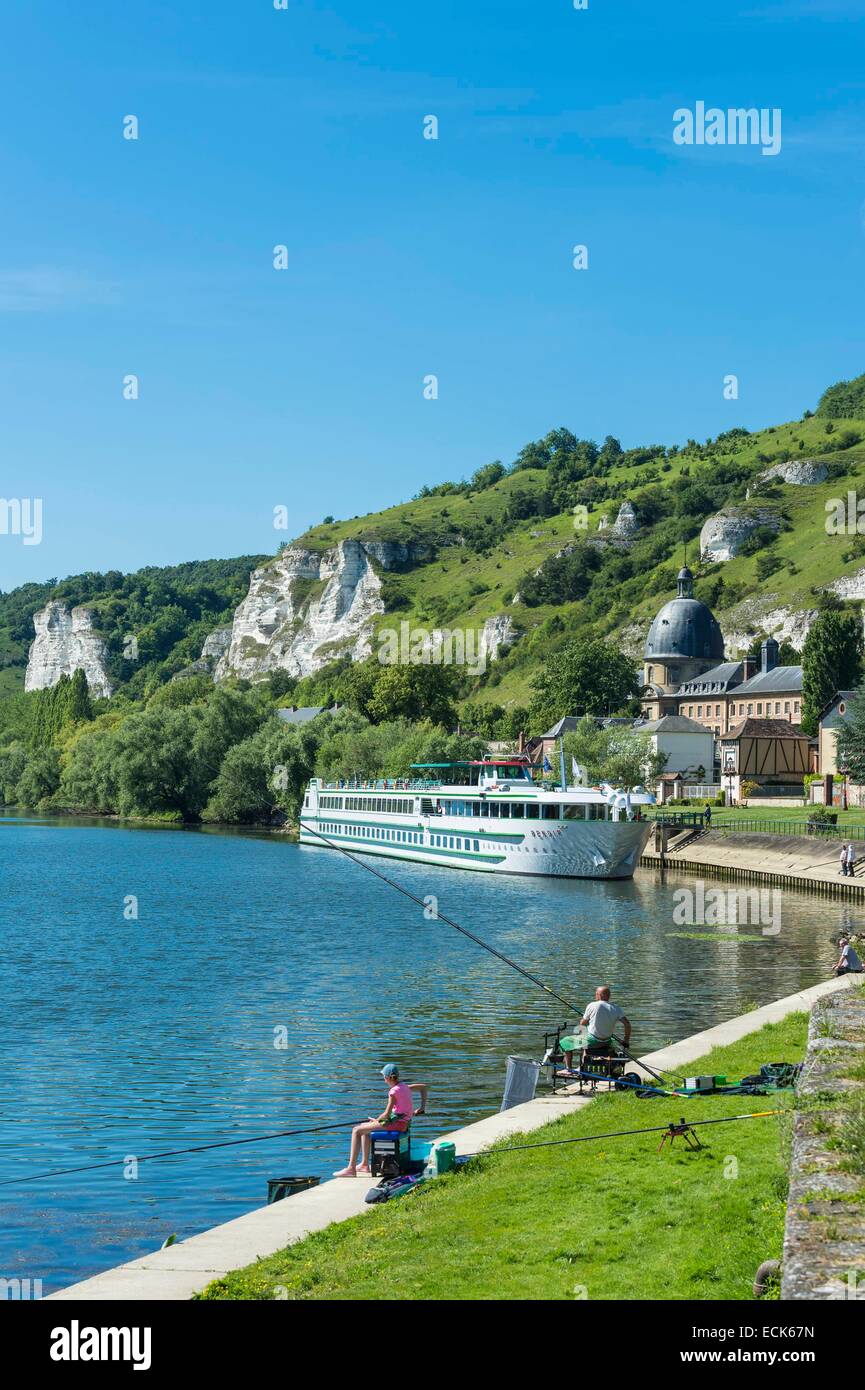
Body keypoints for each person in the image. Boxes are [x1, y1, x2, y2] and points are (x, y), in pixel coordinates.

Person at [334, 1065, 427, 1178]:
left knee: (356, 1130)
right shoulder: (405, 1086)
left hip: (396, 1124)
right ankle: (364, 1165)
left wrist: (376, 1120)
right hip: (403, 1123)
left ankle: (351, 1169)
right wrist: (422, 1108)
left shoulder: (393, 1092)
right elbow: (423, 1087)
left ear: (387, 1077)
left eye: (383, 1076)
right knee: (365, 1127)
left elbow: (387, 1114)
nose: (383, 1079)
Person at [562, 985, 632, 1073]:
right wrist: (626, 1040)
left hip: (593, 1041)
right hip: (607, 1040)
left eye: (596, 994)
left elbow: (582, 1024)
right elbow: (627, 1024)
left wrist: (581, 1029)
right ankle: (583, 1066)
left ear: (600, 995)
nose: (595, 996)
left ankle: (568, 1069)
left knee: (565, 1041)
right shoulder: (616, 1008)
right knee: (585, 1036)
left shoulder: (592, 1005)